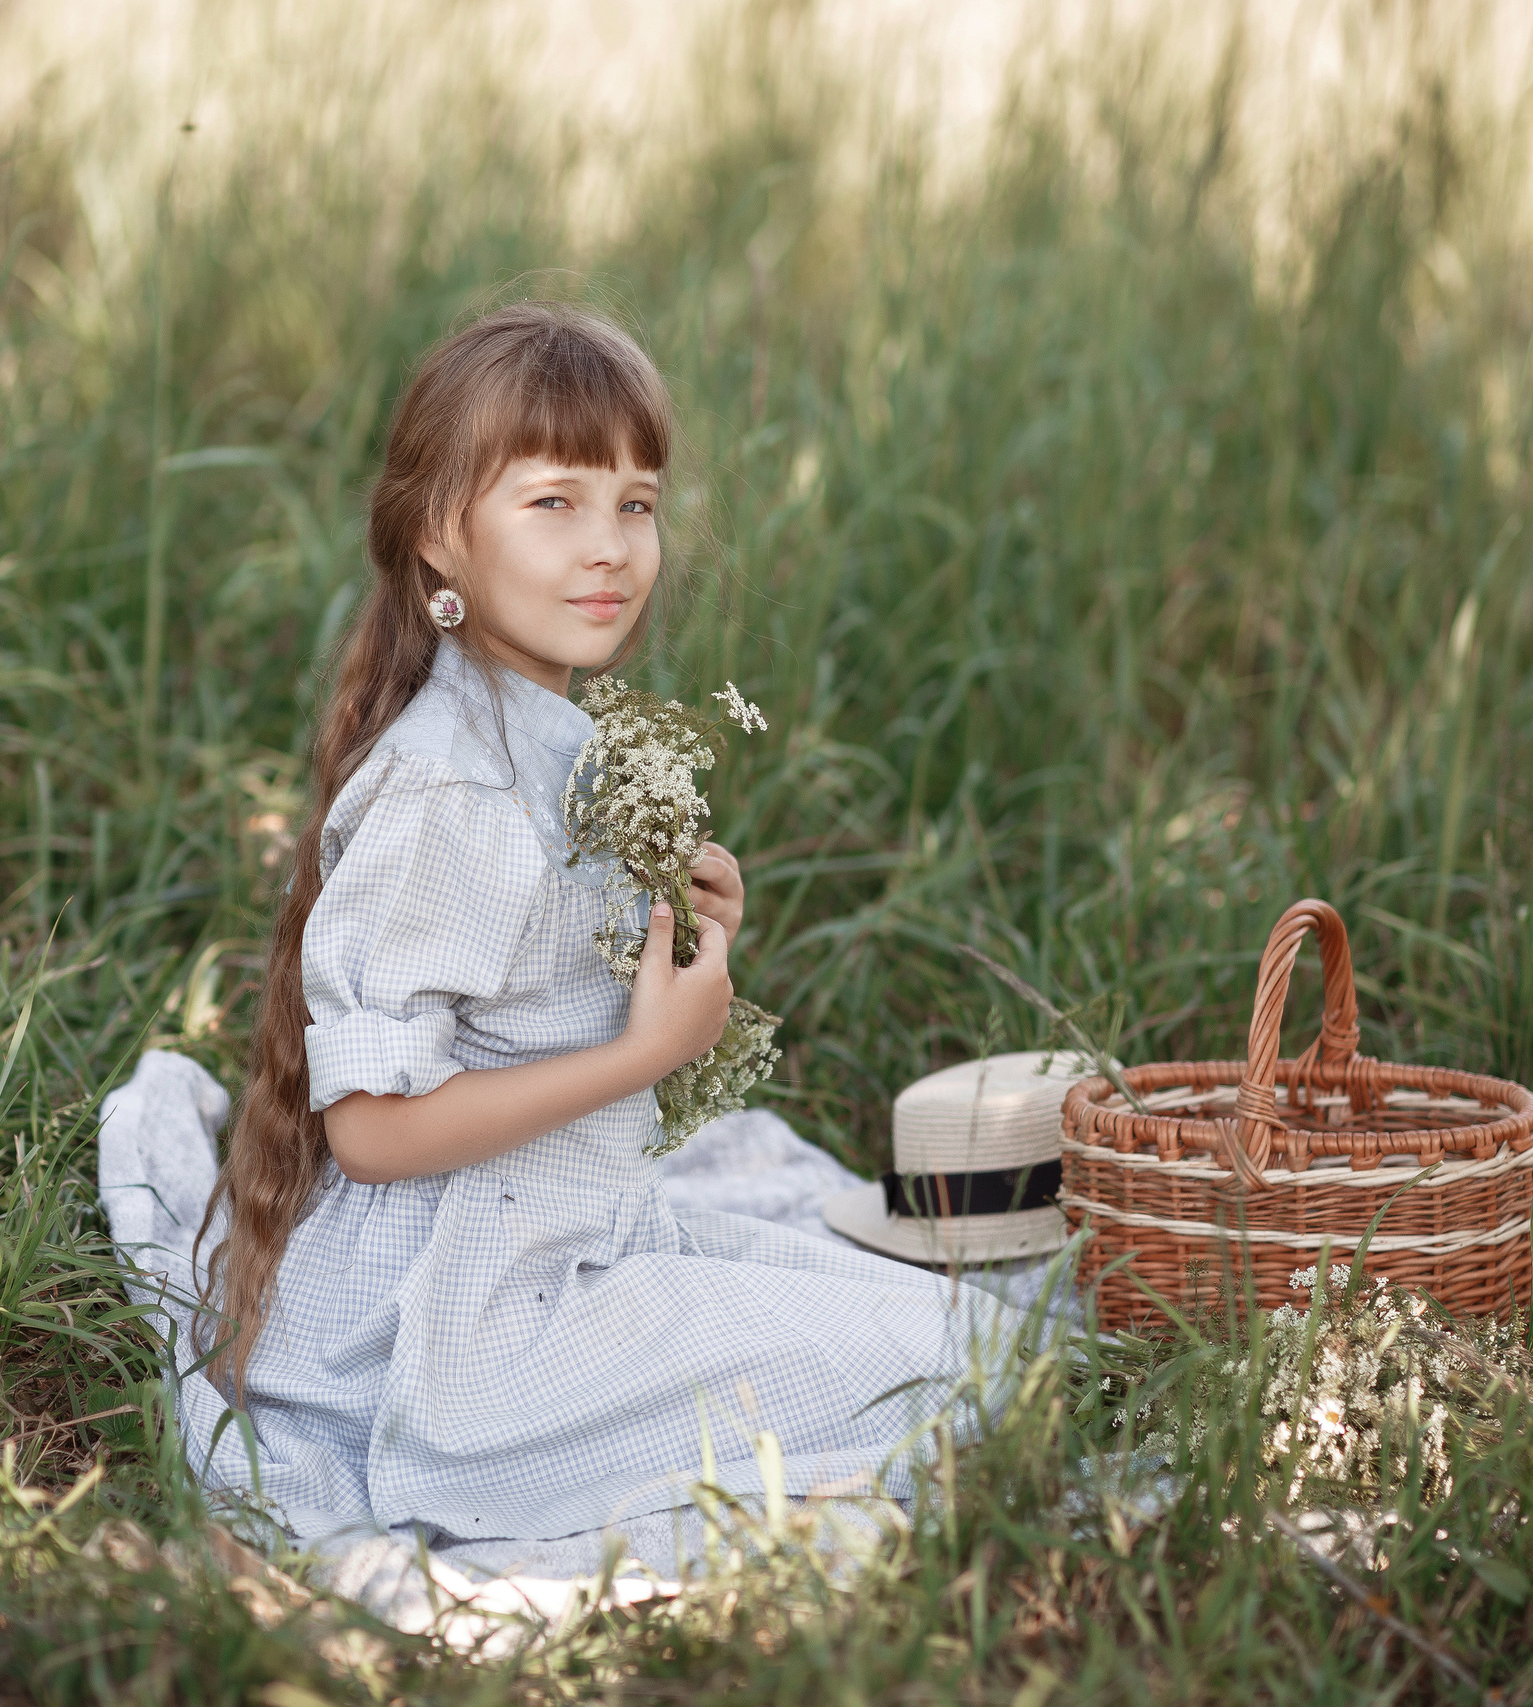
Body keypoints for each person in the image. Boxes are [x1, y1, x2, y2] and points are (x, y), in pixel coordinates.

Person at [188, 302, 1018, 1547]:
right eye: (553, 503)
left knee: (989, 1345)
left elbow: (519, 977)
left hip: (561, 1227)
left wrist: (671, 920)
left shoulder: (544, 734)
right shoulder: (450, 790)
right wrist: (644, 1055)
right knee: (967, 1384)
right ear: (436, 536)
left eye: (636, 503)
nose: (612, 547)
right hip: (466, 1324)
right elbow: (367, 1133)